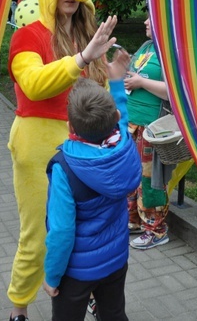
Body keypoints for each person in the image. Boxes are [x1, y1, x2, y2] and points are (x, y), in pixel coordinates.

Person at [7, 0, 118, 321]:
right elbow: (34, 84)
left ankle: (80, 293)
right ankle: (18, 309)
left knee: (82, 228)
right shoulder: (29, 35)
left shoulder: (85, 35)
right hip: (39, 143)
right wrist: (82, 58)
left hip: (84, 147)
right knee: (40, 233)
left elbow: (96, 92)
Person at [42, 73, 141, 321]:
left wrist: (52, 276)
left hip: (77, 272)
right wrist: (117, 84)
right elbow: (122, 118)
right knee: (114, 313)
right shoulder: (124, 147)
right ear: (116, 120)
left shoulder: (64, 168)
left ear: (69, 126)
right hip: (116, 259)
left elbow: (61, 231)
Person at [123, 16, 171, 249]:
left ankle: (157, 230)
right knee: (131, 175)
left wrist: (141, 83)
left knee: (150, 180)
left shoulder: (171, 51)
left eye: (151, 18)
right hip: (133, 124)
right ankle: (134, 221)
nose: (144, 21)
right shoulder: (148, 46)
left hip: (152, 128)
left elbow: (176, 92)